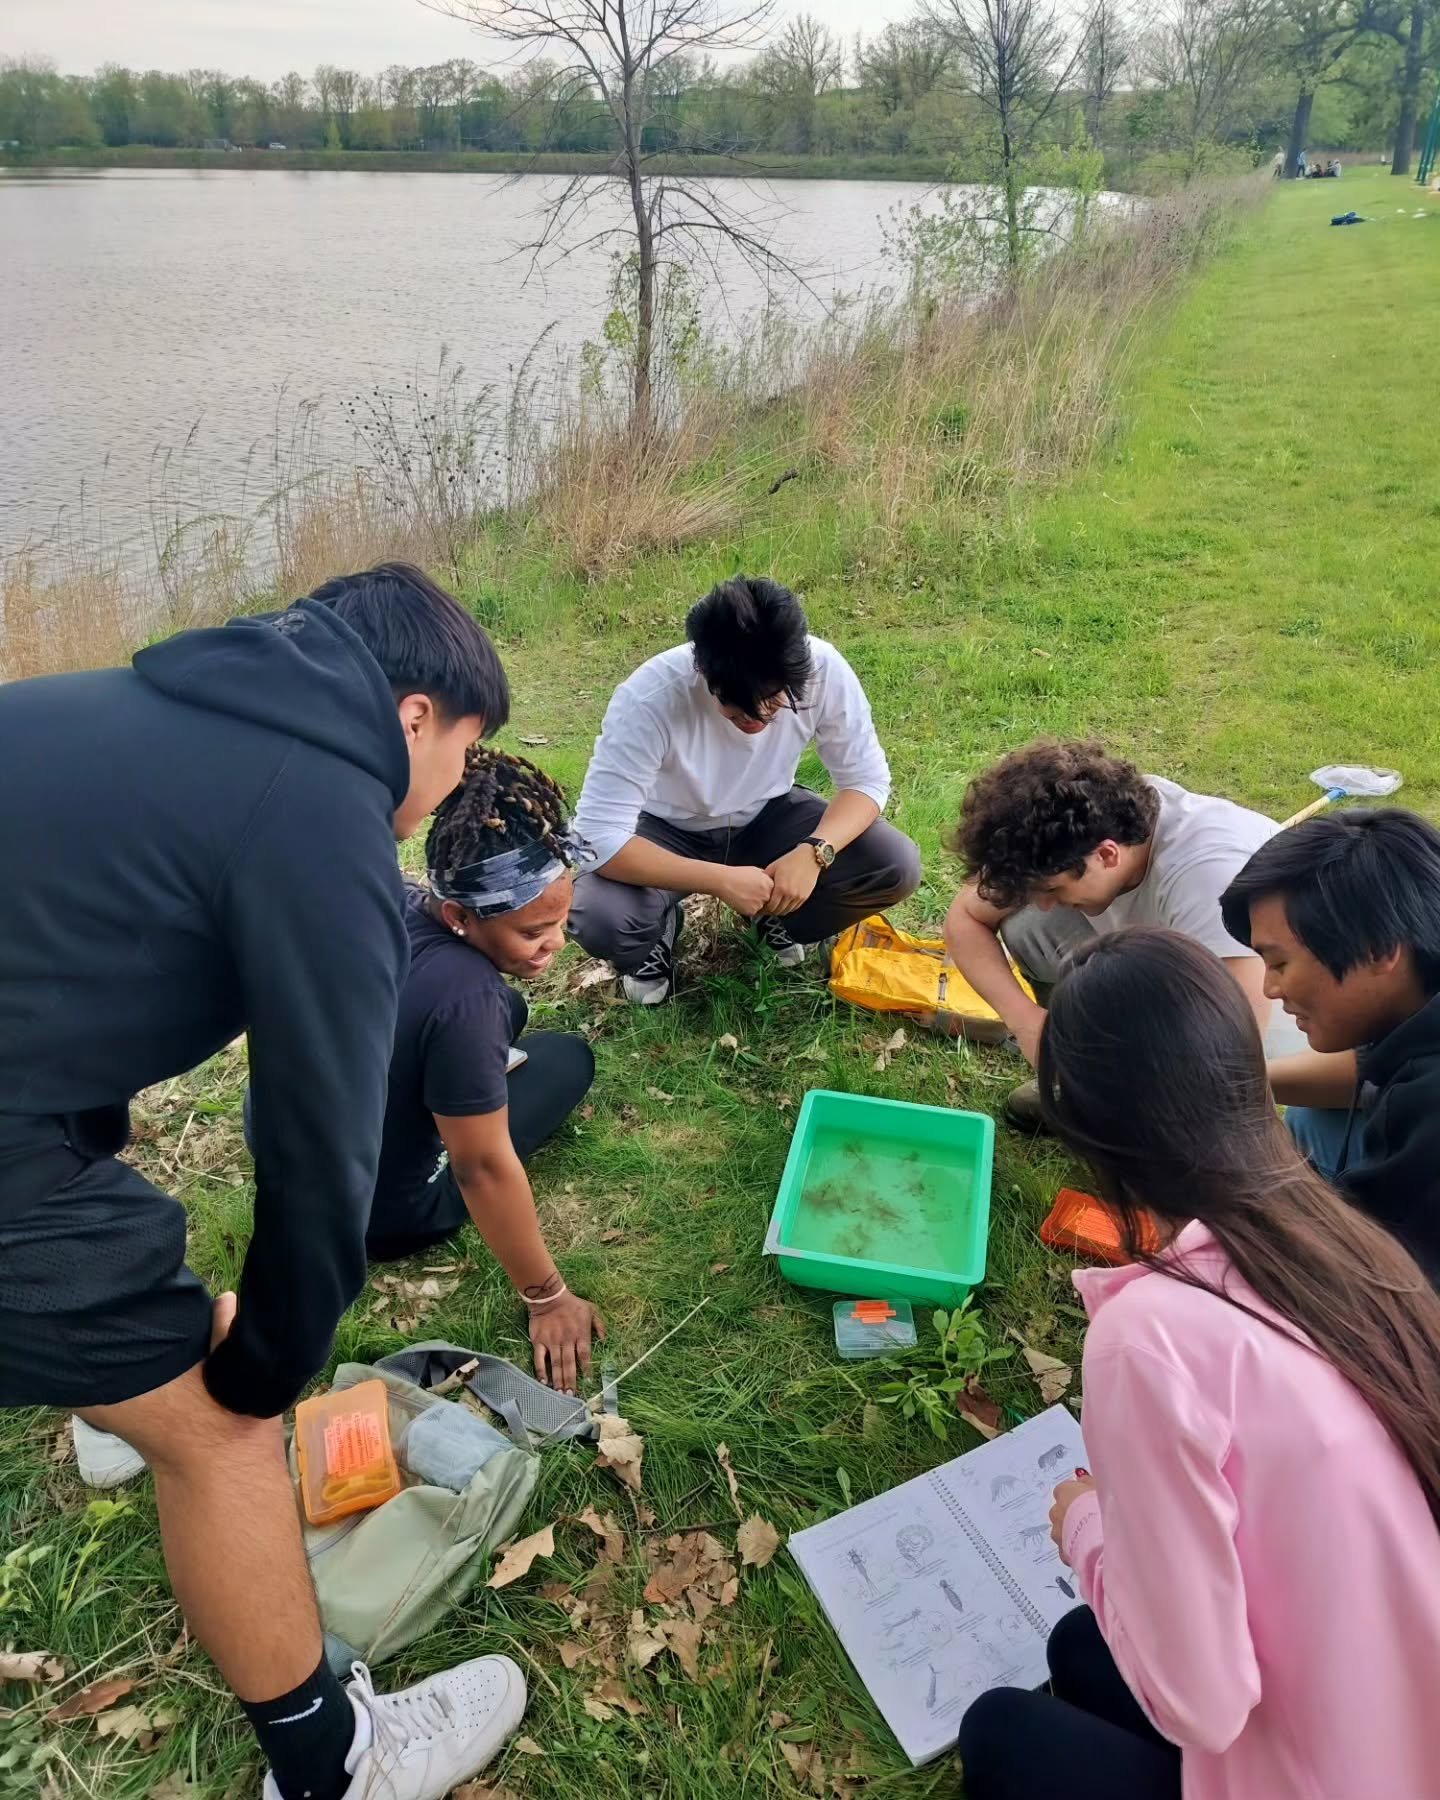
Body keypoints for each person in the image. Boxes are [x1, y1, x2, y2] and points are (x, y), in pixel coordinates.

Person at [0, 565, 529, 1800]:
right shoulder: (323, 807)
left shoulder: (134, 707)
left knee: (132, 1287)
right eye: (466, 749)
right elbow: (320, 1139)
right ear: (413, 717)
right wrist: (261, 1367)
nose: (455, 785)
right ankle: (334, 1761)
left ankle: (105, 1394)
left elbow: (58, 955)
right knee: (225, 1432)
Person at [957, 927, 1440, 1800]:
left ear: (1082, 1122)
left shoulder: (1149, 1337)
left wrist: (1086, 1524)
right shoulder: (1347, 1245)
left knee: (1000, 1727)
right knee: (1078, 1642)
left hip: (1320, 1771)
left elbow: (1203, 1708)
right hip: (1397, 1719)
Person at [569, 575, 921, 1004]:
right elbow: (596, 837)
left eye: (774, 702)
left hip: (767, 814)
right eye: (737, 708)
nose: (757, 717)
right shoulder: (650, 698)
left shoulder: (823, 669)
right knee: (598, 915)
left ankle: (778, 919)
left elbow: (865, 780)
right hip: (665, 827)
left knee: (893, 863)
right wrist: (718, 880)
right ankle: (654, 935)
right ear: (703, 670)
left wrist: (815, 851)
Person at [371, 746, 604, 1393]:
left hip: (293, 1158)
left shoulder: (386, 893)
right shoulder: (466, 999)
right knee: (567, 1058)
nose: (556, 944)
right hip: (381, 1213)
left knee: (512, 1005)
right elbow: (482, 1169)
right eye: (534, 933)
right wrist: (548, 1298)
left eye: (561, 921)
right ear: (459, 917)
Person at [942, 741, 1282, 1124]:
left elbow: (1234, 1045)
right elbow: (964, 918)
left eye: (1051, 889)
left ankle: (1121, 1095)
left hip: (1272, 1010)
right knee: (1029, 925)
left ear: (1106, 855)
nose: (1044, 902)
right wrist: (1027, 1022)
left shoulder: (1206, 877)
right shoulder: (1085, 828)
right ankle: (1077, 1072)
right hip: (1161, 970)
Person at [1219, 808, 1440, 1280]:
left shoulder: (1430, 1111)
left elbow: (1384, 1289)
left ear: (1381, 949)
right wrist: (1224, 1086)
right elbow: (1362, 1070)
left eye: (1278, 964)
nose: (1271, 991)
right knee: (1315, 1116)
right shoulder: (1418, 1001)